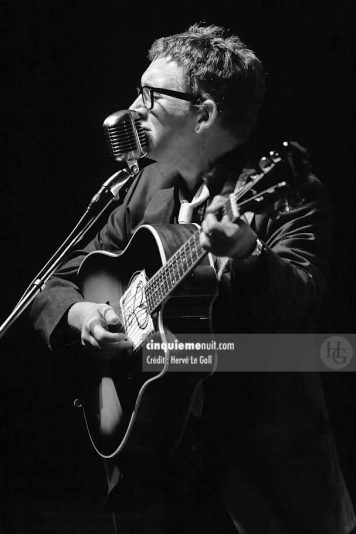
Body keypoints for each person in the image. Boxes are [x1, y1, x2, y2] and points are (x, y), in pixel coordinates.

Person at [30, 23, 355, 533]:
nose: (133, 109)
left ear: (204, 113)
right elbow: (59, 279)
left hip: (257, 472)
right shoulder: (145, 186)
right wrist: (81, 312)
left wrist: (247, 254)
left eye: (149, 95)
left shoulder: (288, 191)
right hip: (150, 458)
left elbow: (303, 306)